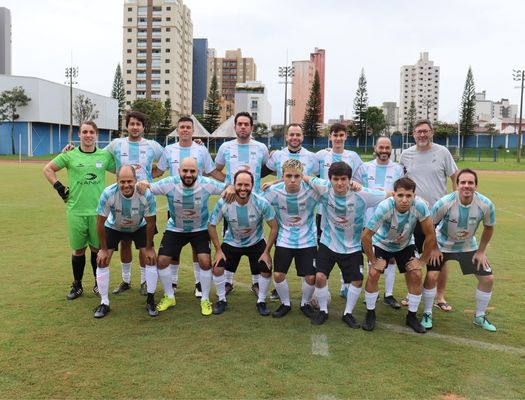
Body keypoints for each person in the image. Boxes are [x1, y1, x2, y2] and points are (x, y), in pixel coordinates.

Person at [137, 157, 226, 316]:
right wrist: (142, 184)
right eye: (185, 171)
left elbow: (227, 188)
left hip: (199, 229)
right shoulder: (169, 183)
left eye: (192, 171)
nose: (188, 174)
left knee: (205, 262)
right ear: (179, 172)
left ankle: (205, 298)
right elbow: (149, 187)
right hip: (176, 228)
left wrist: (231, 188)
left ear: (198, 172)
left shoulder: (207, 183)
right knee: (162, 261)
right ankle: (169, 296)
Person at [304, 162, 386, 326]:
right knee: (320, 277)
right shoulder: (323, 187)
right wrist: (274, 182)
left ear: (350, 180)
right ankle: (323, 311)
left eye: (344, 179)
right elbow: (304, 177)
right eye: (336, 179)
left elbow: (390, 194)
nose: (340, 183)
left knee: (356, 280)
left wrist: (419, 198)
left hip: (353, 246)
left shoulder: (362, 193)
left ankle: (347, 313)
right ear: (330, 179)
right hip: (328, 243)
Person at [154, 116, 225, 299]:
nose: (185, 130)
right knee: (174, 248)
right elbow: (159, 172)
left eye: (188, 127)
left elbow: (211, 171)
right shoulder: (169, 150)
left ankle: (199, 283)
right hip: (176, 204)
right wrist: (133, 176)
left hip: (197, 206)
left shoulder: (201, 149)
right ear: (177, 130)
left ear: (193, 131)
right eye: (182, 127)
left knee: (198, 249)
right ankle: (174, 281)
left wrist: (233, 182)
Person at [43, 121, 115, 299]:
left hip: (98, 213)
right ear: (79, 135)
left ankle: (98, 284)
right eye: (84, 132)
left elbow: (122, 170)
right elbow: (48, 169)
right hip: (75, 211)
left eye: (91, 132)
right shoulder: (69, 155)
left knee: (97, 250)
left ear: (96, 135)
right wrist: (59, 187)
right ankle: (77, 285)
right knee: (78, 250)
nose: (88, 135)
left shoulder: (104, 156)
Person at [420, 169, 496, 331]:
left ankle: (479, 316)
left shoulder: (485, 204)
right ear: (457, 184)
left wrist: (481, 251)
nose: (466, 186)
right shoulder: (444, 203)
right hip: (442, 245)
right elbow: (429, 226)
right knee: (432, 275)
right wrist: (433, 248)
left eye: (470, 183)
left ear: (476, 185)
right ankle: (427, 313)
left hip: (469, 247)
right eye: (463, 182)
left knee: (488, 279)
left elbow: (489, 228)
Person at [361, 177, 435, 334]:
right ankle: (370, 313)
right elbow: (366, 236)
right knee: (374, 273)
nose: (404, 200)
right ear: (393, 195)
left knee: (416, 273)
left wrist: (422, 261)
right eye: (400, 195)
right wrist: (374, 261)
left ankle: (412, 317)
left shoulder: (420, 207)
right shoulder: (384, 207)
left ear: (414, 196)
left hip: (405, 245)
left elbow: (430, 235)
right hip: (382, 244)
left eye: (409, 196)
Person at [399, 119, 458, 311]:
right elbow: (401, 181)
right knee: (411, 255)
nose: (422, 135)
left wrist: (454, 199)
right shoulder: (406, 155)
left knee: (440, 256)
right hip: (413, 214)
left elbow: (454, 176)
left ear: (431, 132)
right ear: (413, 134)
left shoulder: (442, 152)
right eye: (418, 132)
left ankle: (440, 296)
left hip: (439, 215)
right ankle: (412, 293)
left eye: (425, 131)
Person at [105, 111, 164, 297]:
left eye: (139, 124)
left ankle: (145, 281)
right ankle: (126, 279)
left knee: (144, 244)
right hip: (121, 201)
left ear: (143, 127)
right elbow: (99, 157)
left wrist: (150, 178)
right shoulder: (116, 144)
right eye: (132, 123)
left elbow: (166, 161)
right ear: (127, 126)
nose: (135, 127)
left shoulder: (152, 146)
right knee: (124, 242)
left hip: (145, 201)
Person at [213, 112, 270, 295]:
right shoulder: (225, 147)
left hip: (255, 202)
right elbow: (216, 170)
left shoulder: (261, 147)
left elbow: (266, 169)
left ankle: (256, 283)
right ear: (235, 127)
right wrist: (228, 185)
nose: (243, 127)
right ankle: (228, 282)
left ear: (251, 128)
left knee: (256, 238)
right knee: (231, 238)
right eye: (240, 124)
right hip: (232, 201)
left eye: (246, 124)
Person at [208, 170, 278, 316]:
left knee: (266, 267)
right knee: (217, 267)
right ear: (234, 185)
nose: (243, 188)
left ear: (253, 185)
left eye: (247, 184)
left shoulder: (260, 202)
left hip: (256, 242)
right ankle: (221, 300)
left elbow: (274, 227)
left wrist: (266, 252)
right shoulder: (224, 202)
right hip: (232, 242)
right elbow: (211, 225)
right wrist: (218, 250)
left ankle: (261, 301)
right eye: (239, 184)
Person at [94, 165, 157, 318]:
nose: (126, 185)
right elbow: (100, 223)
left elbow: (150, 223)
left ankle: (150, 300)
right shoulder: (108, 193)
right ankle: (104, 302)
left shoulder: (145, 194)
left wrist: (149, 247)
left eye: (130, 181)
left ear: (136, 180)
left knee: (150, 258)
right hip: (114, 226)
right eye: (122, 181)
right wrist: (103, 249)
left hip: (139, 225)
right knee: (102, 260)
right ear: (117, 181)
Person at [263, 159, 320, 319]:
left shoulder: (312, 191)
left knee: (310, 277)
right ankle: (285, 303)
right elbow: (255, 202)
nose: (293, 180)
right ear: (282, 176)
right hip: (284, 239)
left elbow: (331, 190)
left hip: (307, 240)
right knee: (279, 274)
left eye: (297, 176)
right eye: (289, 176)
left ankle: (305, 303)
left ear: (302, 176)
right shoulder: (273, 191)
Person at [353, 136, 404, 309]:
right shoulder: (365, 168)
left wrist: (387, 193)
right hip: (369, 218)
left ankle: (388, 294)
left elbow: (402, 192)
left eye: (387, 147)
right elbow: (356, 189)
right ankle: (370, 293)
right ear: (375, 148)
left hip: (392, 219)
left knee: (390, 259)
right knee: (371, 256)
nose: (384, 151)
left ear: (391, 149)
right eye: (380, 147)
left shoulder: (398, 169)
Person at [315, 123, 363, 297]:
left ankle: (345, 284)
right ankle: (322, 289)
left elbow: (358, 180)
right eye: (335, 135)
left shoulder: (353, 156)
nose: (338, 138)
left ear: (346, 137)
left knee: (347, 246)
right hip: (325, 210)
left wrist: (356, 184)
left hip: (348, 211)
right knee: (325, 246)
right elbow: (311, 175)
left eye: (341, 135)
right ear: (330, 137)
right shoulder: (321, 155)